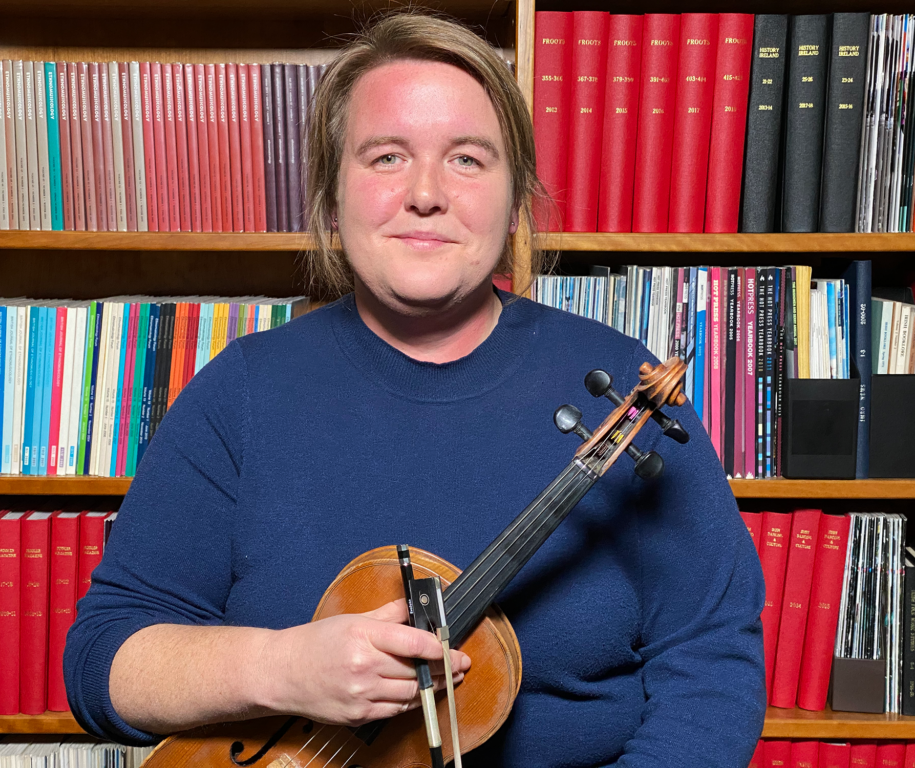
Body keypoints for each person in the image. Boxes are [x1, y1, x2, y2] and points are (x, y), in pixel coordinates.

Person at [64, 13, 765, 767]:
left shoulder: (628, 394)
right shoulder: (241, 392)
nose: (425, 193)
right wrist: (285, 669)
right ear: (334, 196)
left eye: (467, 159)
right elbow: (104, 662)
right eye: (387, 156)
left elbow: (712, 663)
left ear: (516, 196)